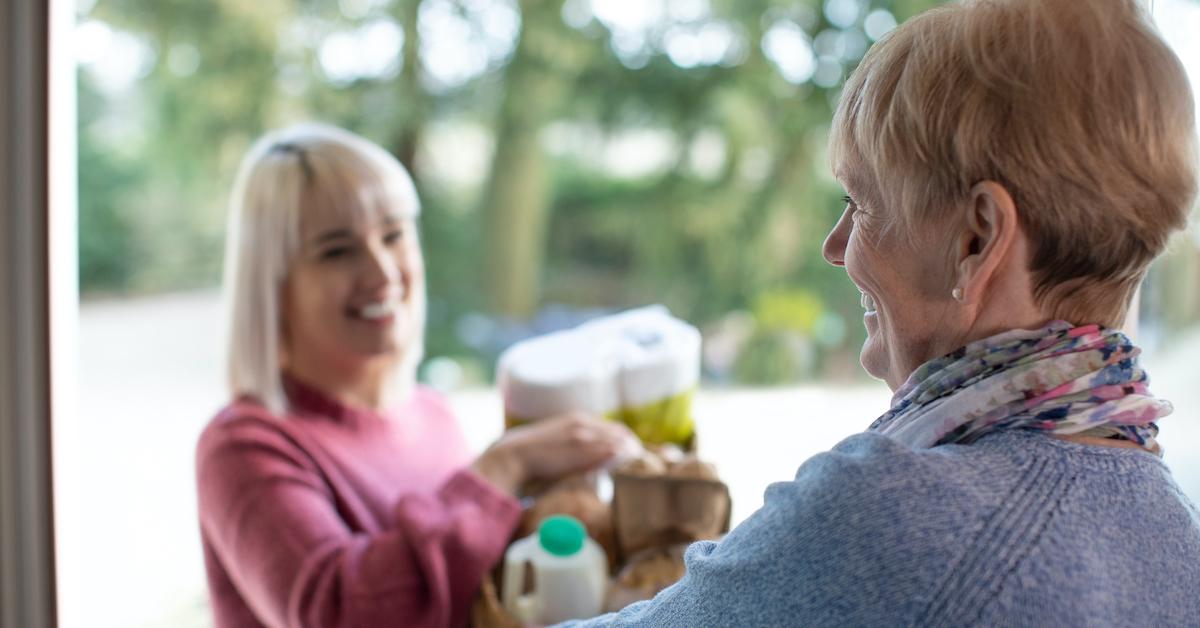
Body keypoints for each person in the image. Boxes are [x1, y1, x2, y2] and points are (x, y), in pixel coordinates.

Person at [562, 0, 1200, 625]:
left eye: (861, 204)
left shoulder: (889, 513)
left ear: (977, 240)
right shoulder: (1174, 530)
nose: (834, 247)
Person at [195, 123, 635, 628]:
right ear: (271, 285)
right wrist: (501, 469)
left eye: (394, 234)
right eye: (337, 251)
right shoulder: (243, 445)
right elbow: (337, 614)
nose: (382, 273)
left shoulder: (430, 412)